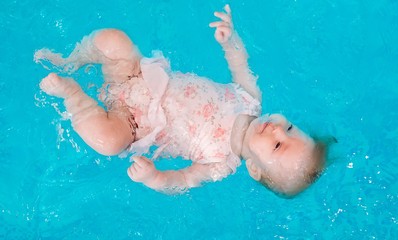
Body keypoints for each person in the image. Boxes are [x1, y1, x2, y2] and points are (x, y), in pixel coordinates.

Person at [35, 5, 326, 196]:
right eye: (289, 129)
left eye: (277, 145)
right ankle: (71, 60)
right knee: (114, 40)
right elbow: (240, 62)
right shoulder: (251, 98)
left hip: (133, 124)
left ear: (254, 169)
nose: (277, 130)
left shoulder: (220, 164)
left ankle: (72, 94)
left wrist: (154, 178)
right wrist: (230, 38)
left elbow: (183, 181)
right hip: (141, 77)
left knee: (107, 143)